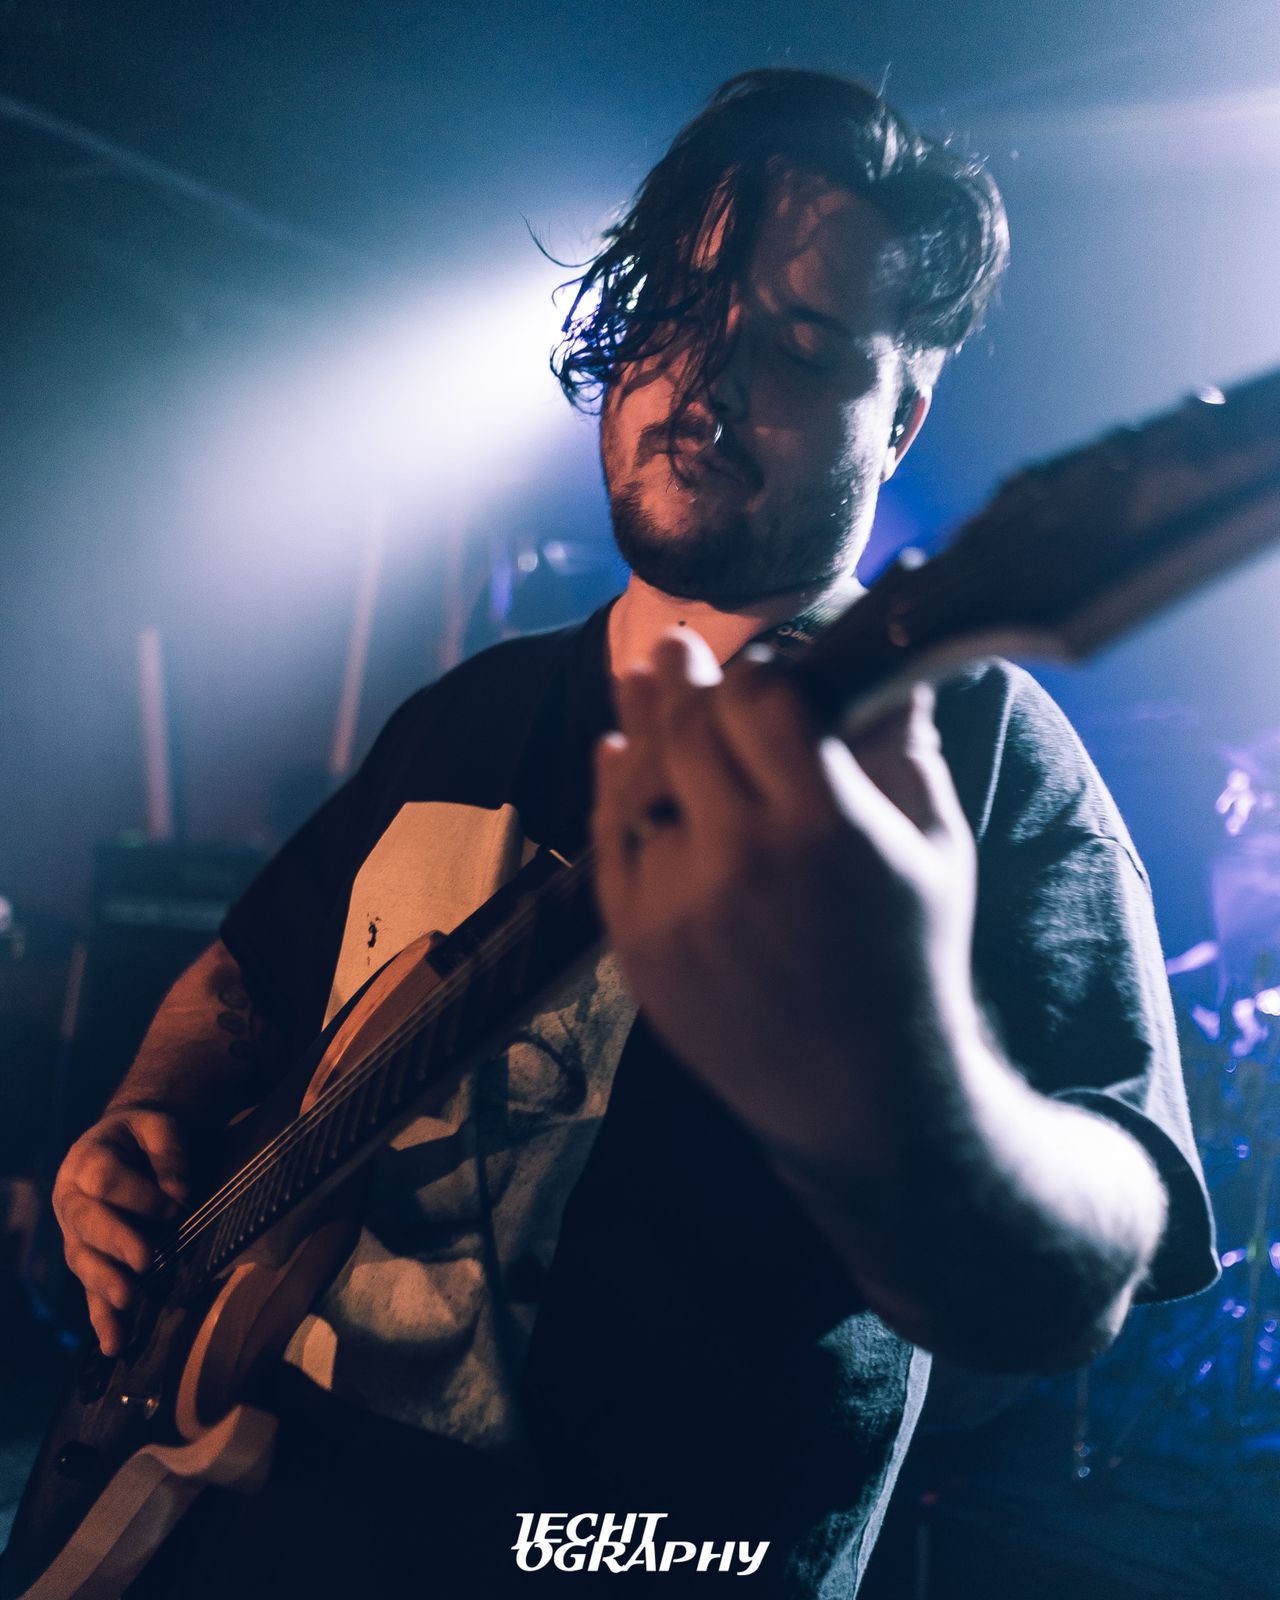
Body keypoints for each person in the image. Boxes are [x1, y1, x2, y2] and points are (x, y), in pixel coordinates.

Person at [48, 69, 1216, 1597]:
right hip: (262, 1515)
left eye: (801, 346)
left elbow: (1094, 1263)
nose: (706, 383)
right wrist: (139, 1118)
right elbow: (249, 975)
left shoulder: (978, 751)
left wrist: (901, 1081)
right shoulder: (469, 709)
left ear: (902, 418)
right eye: (680, 309)